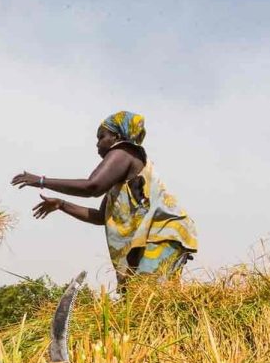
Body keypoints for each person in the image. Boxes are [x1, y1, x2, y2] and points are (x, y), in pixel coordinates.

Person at [12, 111, 197, 291]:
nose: (97, 144)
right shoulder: (118, 180)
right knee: (135, 296)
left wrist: (41, 181)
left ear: (117, 137)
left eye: (101, 137)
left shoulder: (124, 152)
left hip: (163, 233)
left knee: (145, 295)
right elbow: (101, 217)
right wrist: (61, 204)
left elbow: (92, 186)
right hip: (157, 235)